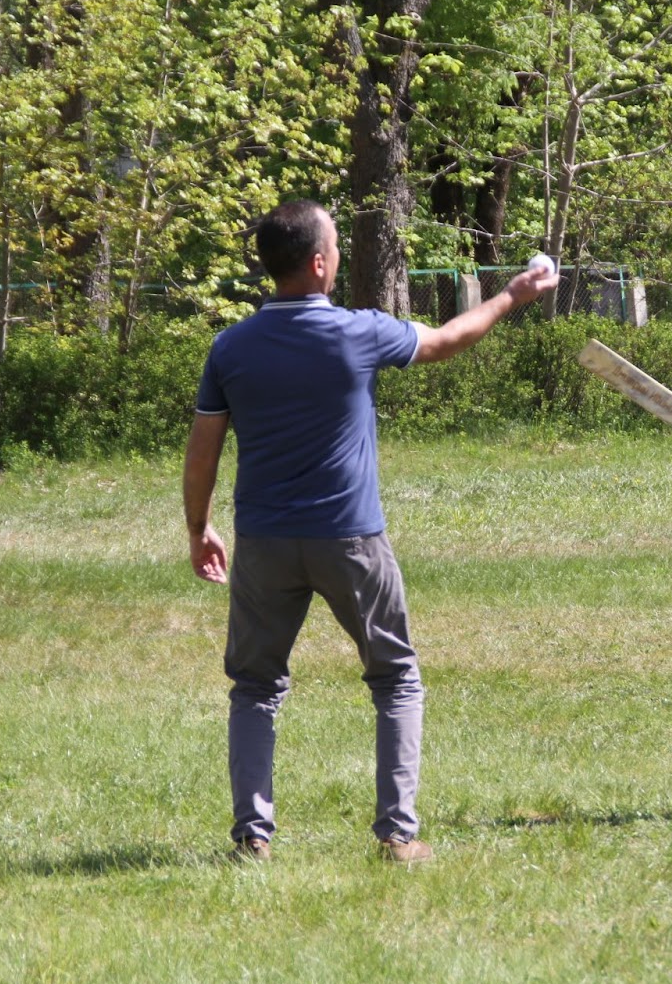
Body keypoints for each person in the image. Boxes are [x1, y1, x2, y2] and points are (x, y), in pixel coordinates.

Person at [183, 200, 557, 863]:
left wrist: (198, 527)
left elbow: (203, 446)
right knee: (395, 678)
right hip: (350, 539)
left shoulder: (230, 346)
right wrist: (512, 296)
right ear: (320, 263)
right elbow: (444, 342)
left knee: (255, 687)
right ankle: (396, 835)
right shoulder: (357, 333)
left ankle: (252, 839)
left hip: (264, 542)